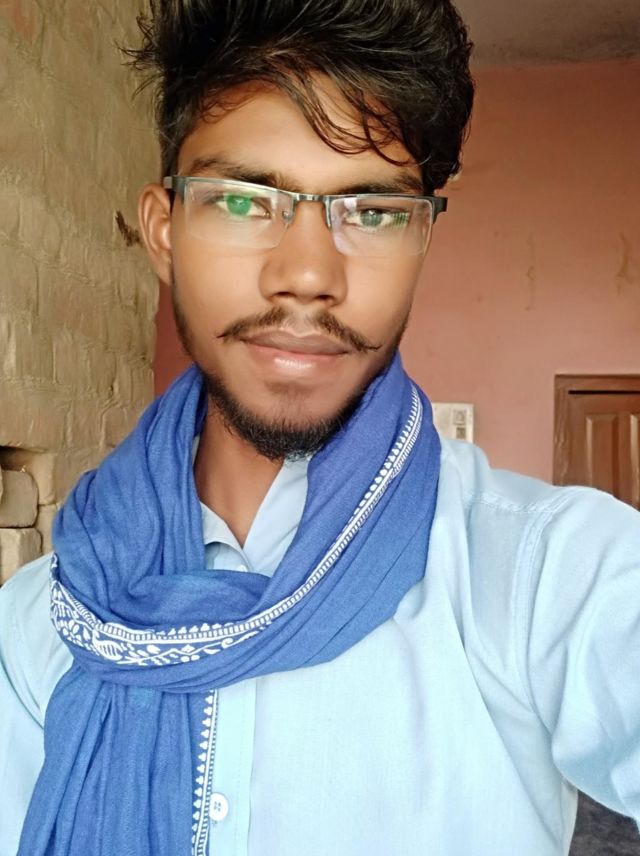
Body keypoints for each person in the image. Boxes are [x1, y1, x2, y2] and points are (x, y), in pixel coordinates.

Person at [1, 1, 639, 854]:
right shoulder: (43, 624)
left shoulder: (541, 573)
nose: (307, 274)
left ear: (421, 240)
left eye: (371, 211)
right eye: (243, 201)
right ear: (163, 233)